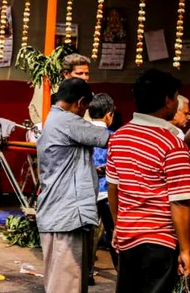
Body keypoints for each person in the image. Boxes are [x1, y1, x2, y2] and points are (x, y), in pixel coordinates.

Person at [107, 69, 190, 293]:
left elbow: (113, 188)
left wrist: (118, 226)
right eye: (175, 96)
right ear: (167, 101)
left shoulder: (119, 137)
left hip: (127, 237)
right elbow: (180, 203)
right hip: (160, 242)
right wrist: (186, 250)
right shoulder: (173, 145)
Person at [36, 77, 110, 293]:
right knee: (66, 285)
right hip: (66, 216)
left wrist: (92, 171)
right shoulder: (68, 121)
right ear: (80, 102)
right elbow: (108, 139)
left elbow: (64, 161)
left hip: (59, 213)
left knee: (67, 283)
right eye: (86, 107)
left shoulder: (54, 119)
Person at [87, 93, 118, 283]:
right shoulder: (114, 137)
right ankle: (121, 272)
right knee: (115, 232)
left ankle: (87, 273)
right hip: (108, 192)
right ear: (109, 114)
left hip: (88, 191)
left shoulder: (82, 134)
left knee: (88, 235)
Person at [29, 53, 91, 124]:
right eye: (79, 73)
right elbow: (44, 117)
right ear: (66, 74)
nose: (85, 77)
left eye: (86, 74)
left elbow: (89, 118)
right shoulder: (48, 87)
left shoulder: (85, 91)